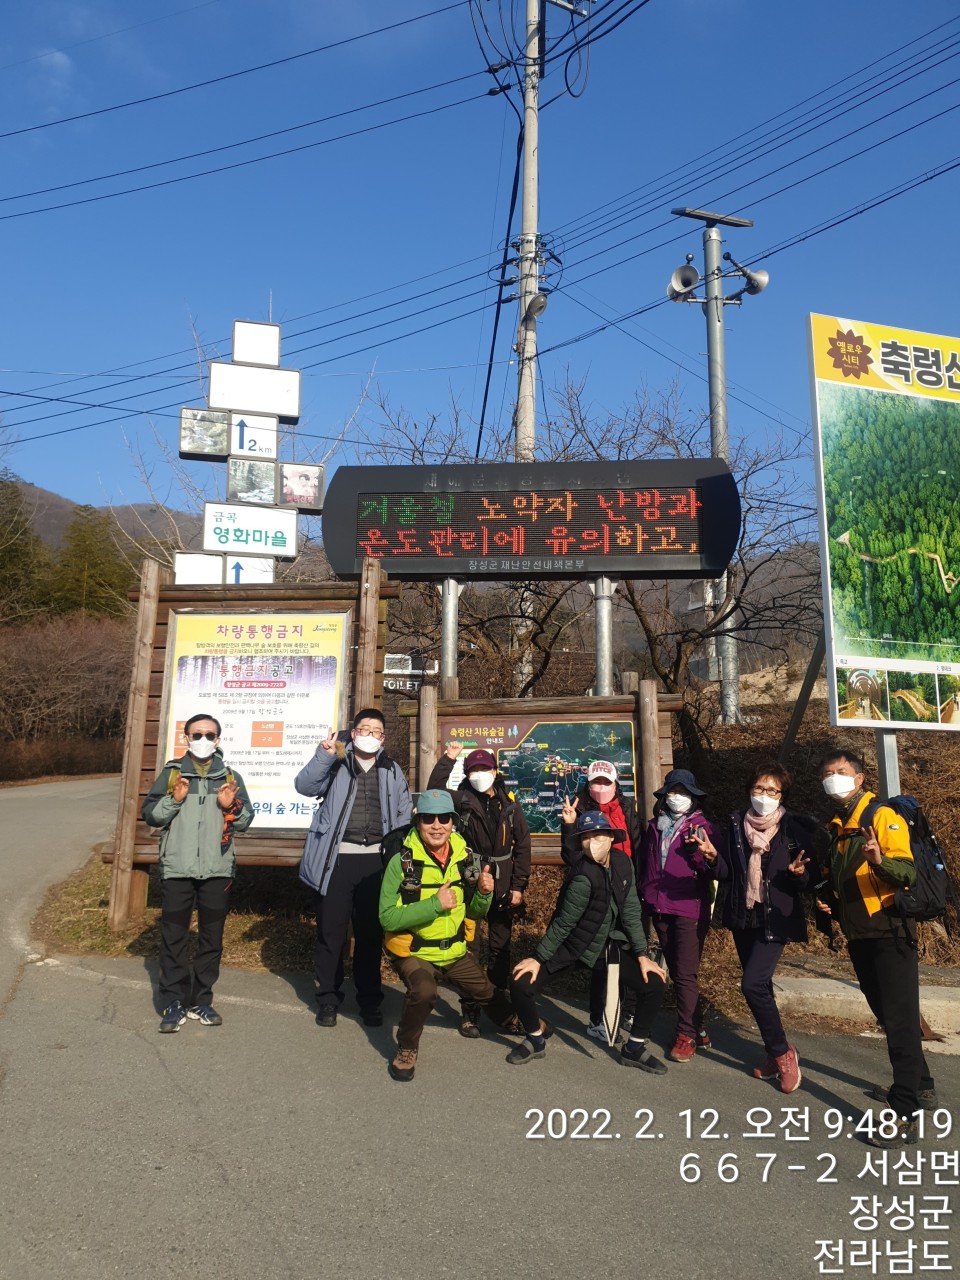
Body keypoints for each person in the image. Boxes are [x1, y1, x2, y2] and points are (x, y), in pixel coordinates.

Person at [815, 747, 937, 1147]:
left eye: (842, 771)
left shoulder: (882, 816)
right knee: (889, 1016)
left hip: (890, 933)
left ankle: (904, 1114)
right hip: (861, 936)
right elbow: (848, 886)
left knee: (900, 1023)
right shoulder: (838, 828)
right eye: (828, 773)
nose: (834, 778)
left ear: (860, 777)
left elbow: (906, 871)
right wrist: (828, 901)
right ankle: (920, 1084)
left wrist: (880, 859)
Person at [508, 811, 667, 1070]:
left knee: (655, 982)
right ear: (580, 841)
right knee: (520, 983)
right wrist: (537, 959)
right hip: (574, 947)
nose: (594, 840)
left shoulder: (624, 863)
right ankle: (535, 1037)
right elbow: (563, 924)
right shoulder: (582, 875)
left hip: (608, 948)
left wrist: (642, 956)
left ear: (610, 837)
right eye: (587, 836)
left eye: (599, 833)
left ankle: (634, 1048)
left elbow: (630, 912)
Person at [379, 789, 515, 1081]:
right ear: (418, 821)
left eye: (444, 818)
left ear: (454, 823)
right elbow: (386, 916)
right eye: (429, 818)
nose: (437, 825)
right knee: (424, 992)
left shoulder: (466, 858)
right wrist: (433, 905)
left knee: (486, 991)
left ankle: (511, 1020)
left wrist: (483, 893)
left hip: (453, 948)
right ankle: (406, 1048)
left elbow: (476, 912)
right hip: (413, 950)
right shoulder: (401, 862)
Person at [696, 761, 813, 1093]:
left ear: (782, 794)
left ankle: (783, 1054)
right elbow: (727, 873)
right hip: (743, 914)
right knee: (763, 988)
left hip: (776, 916)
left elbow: (808, 879)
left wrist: (796, 873)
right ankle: (773, 1054)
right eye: (759, 789)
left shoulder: (793, 829)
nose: (765, 795)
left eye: (772, 790)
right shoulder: (735, 824)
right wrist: (711, 858)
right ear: (749, 791)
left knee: (751, 985)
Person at [295, 708, 412, 1029]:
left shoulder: (391, 769)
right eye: (365, 729)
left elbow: (403, 815)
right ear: (353, 731)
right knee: (330, 934)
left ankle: (369, 1000)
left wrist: (398, 856)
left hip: (376, 862)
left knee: (370, 935)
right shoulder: (336, 764)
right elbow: (304, 787)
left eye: (377, 731)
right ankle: (328, 999)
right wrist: (324, 755)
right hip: (337, 861)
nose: (370, 735)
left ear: (383, 738)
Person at [142, 713, 254, 1032]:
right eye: (197, 734)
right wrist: (174, 801)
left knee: (211, 939)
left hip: (217, 869)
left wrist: (230, 807)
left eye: (209, 734)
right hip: (177, 868)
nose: (203, 739)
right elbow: (150, 814)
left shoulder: (230, 776)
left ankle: (201, 1001)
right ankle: (174, 1003)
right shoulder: (172, 773)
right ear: (186, 737)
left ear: (218, 740)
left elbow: (246, 819)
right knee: (174, 938)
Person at [427, 743, 531, 1037]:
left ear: (496, 772)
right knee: (469, 950)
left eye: (485, 769)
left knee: (500, 949)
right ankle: (469, 1011)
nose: (479, 774)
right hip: (469, 883)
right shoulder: (461, 799)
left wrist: (518, 886)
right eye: (473, 769)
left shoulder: (510, 804)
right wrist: (447, 758)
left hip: (503, 883)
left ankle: (499, 1007)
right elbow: (433, 789)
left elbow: (522, 847)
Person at [560, 759, 645, 1042]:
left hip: (627, 888)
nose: (600, 787)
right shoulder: (581, 810)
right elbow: (572, 857)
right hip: (598, 894)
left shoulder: (630, 810)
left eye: (606, 782)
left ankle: (627, 1011)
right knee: (601, 959)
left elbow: (639, 846)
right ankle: (599, 1018)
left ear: (615, 783)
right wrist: (570, 826)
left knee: (630, 953)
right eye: (595, 782)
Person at [638, 767, 717, 1063]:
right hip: (658, 906)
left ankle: (685, 1034)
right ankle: (697, 1025)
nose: (678, 797)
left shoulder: (703, 828)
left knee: (685, 974)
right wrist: (645, 893)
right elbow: (646, 863)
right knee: (679, 971)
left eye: (684, 793)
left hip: (689, 908)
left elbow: (714, 868)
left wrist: (704, 853)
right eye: (674, 792)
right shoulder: (654, 826)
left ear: (693, 798)